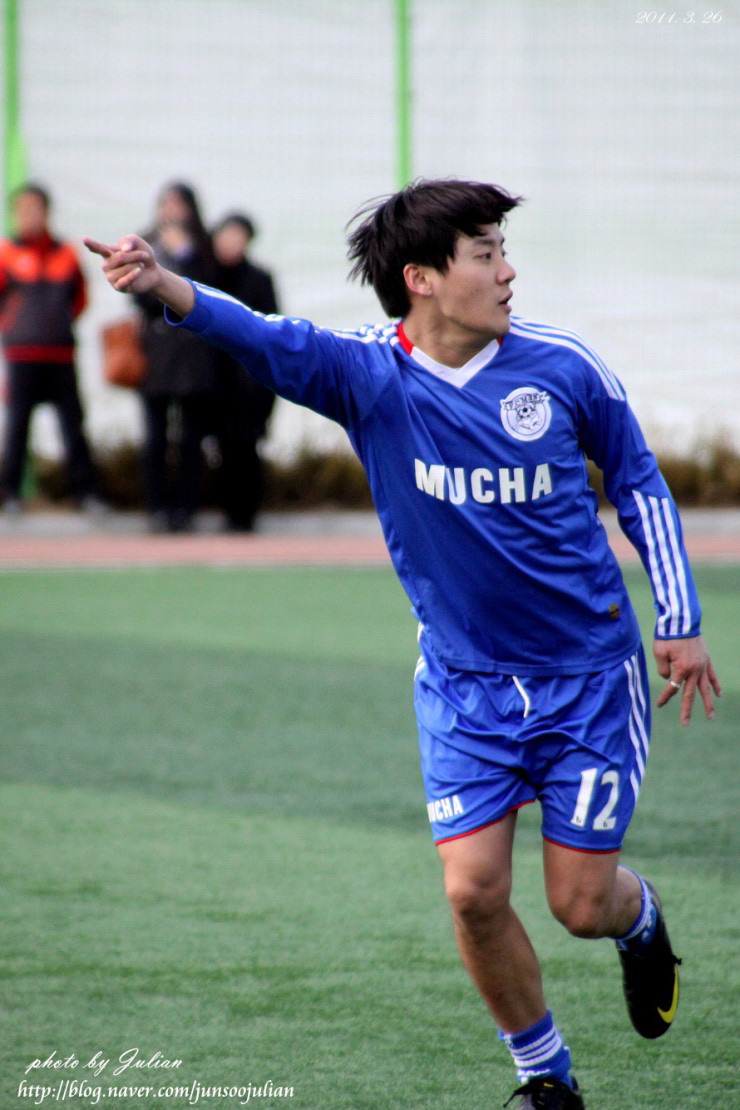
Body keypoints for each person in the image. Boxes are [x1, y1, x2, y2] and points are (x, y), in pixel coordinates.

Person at [85, 178, 720, 1109]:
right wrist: (163, 283)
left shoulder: (563, 367)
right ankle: (545, 1079)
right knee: (472, 892)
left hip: (588, 677)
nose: (508, 272)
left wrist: (681, 619)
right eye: (486, 254)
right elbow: (258, 334)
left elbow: (639, 482)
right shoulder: (368, 375)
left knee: (580, 906)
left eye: (503, 250)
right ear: (422, 278)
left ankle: (641, 918)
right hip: (464, 684)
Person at [0, 182, 101, 513]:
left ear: (46, 212)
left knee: (73, 426)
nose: (28, 215)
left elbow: (80, 299)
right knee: (17, 427)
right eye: (22, 210)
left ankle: (86, 494)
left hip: (60, 354)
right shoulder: (6, 253)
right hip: (21, 355)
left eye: (34, 209)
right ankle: (11, 494)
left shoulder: (66, 253)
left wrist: (58, 324)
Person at [135, 182, 220, 532]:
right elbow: (138, 297)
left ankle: (186, 509)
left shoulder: (203, 246)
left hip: (193, 354)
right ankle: (157, 508)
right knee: (155, 437)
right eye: (165, 203)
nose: (171, 211)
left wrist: (183, 253)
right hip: (155, 354)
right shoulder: (144, 243)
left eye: (178, 204)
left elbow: (209, 290)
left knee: (189, 437)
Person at [211, 213, 278, 531]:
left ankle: (247, 515)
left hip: (250, 380)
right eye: (226, 235)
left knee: (248, 448)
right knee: (221, 448)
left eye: (238, 236)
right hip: (214, 380)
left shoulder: (259, 279)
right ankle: (226, 512)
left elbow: (272, 327)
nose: (230, 243)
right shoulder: (205, 275)